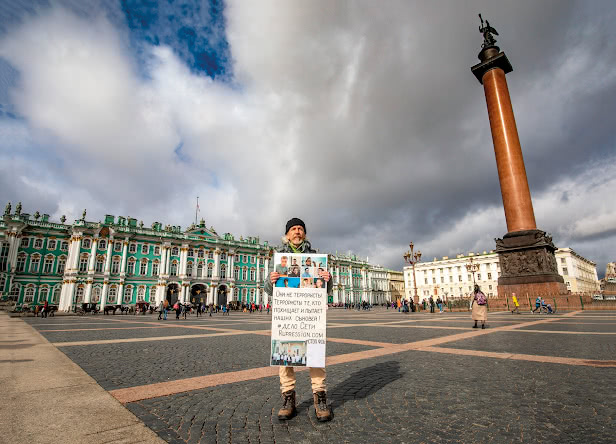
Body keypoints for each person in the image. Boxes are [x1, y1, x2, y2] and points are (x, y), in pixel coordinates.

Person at [264, 218, 333, 422]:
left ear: (305, 234)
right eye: (293, 229)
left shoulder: (315, 257)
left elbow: (326, 290)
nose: (297, 232)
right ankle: (288, 399)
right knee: (285, 357)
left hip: (310, 314)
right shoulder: (278, 258)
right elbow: (268, 289)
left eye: (300, 229)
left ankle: (320, 397)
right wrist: (271, 280)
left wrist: (328, 280)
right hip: (287, 314)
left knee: (315, 355)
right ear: (287, 235)